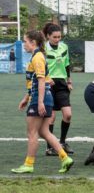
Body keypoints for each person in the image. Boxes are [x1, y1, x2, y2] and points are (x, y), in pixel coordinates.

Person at [11, 30, 73, 174]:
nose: (24, 44)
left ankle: (28, 164)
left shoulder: (38, 57)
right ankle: (65, 158)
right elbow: (48, 80)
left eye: (25, 41)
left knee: (32, 133)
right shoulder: (38, 56)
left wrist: (39, 102)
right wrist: (26, 98)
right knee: (44, 132)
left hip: (41, 98)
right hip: (44, 97)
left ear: (33, 42)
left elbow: (41, 81)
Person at [42, 23, 74, 156]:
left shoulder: (64, 47)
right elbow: (40, 67)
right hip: (48, 84)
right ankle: (50, 147)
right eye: (54, 37)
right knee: (51, 117)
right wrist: (46, 79)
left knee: (68, 114)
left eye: (59, 37)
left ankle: (62, 142)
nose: (57, 39)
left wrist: (69, 80)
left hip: (62, 84)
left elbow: (67, 64)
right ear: (48, 36)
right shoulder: (42, 49)